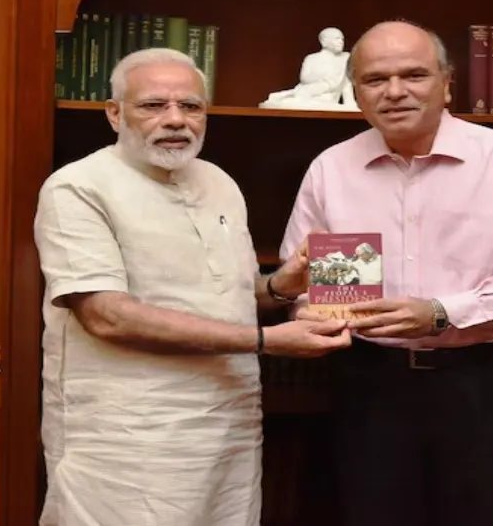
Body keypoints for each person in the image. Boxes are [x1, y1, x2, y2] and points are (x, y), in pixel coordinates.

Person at [33, 47, 351, 526]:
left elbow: (231, 296)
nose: (176, 120)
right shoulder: (77, 187)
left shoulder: (219, 182)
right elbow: (106, 315)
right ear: (115, 114)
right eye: (153, 105)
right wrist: (266, 341)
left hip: (230, 424)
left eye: (191, 106)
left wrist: (282, 287)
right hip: (129, 432)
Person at [281, 20, 493, 526]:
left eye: (414, 75)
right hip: (370, 381)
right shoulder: (331, 168)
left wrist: (441, 314)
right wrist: (314, 311)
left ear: (447, 83)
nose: (395, 92)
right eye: (375, 80)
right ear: (355, 92)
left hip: (483, 379)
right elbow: (304, 282)